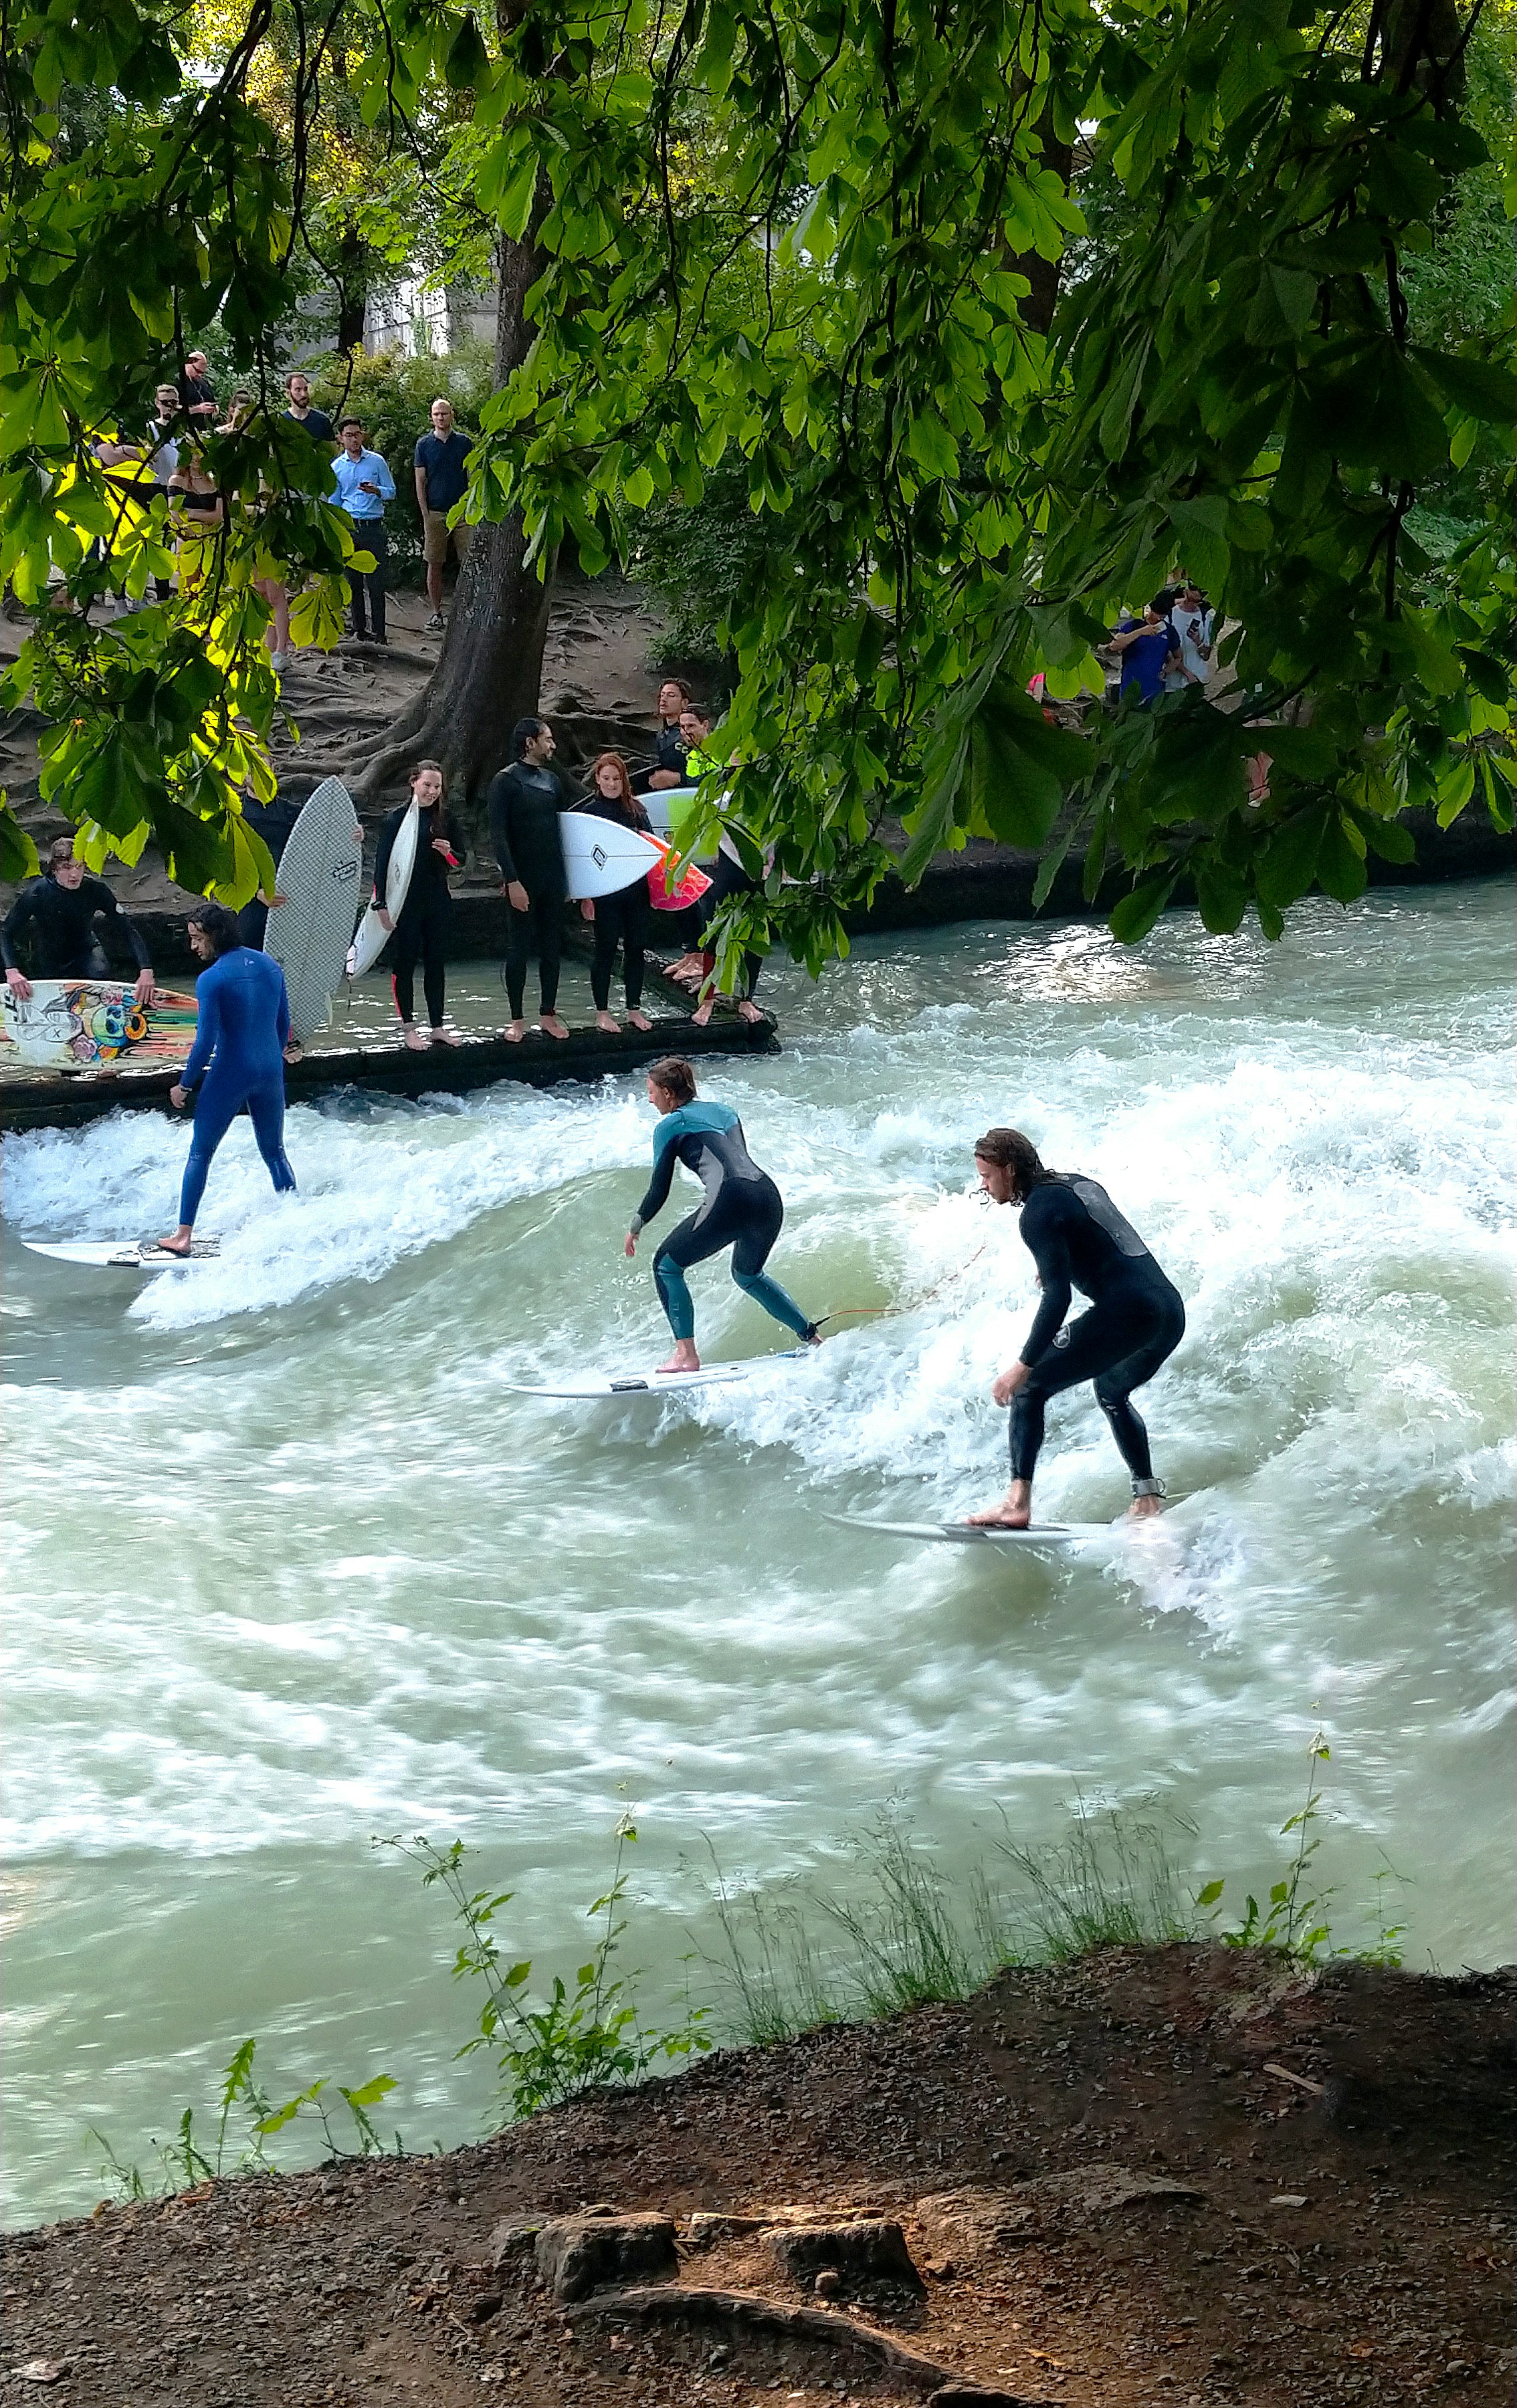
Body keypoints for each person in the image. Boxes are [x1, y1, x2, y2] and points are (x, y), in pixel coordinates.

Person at [967, 1127, 1185, 1529]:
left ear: (1009, 1169)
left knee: (1030, 1389)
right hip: (1169, 1310)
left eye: (987, 1176)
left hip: (1128, 1313)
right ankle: (1148, 1496)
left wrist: (1023, 1365)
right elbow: (1106, 1238)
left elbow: (1058, 1299)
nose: (983, 1186)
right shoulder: (1077, 1184)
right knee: (1112, 1391)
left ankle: (1016, 1504)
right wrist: (1055, 1263)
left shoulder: (1036, 1215)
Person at [624, 1055, 819, 1372]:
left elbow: (660, 1189)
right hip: (767, 1196)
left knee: (666, 1267)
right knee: (748, 1275)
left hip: (730, 1197)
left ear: (668, 1094)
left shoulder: (669, 1126)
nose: (650, 1098)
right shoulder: (726, 1112)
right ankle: (812, 1339)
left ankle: (686, 1355)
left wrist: (636, 1225)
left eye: (652, 1091)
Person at [160, 901, 296, 1254]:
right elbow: (283, 1026)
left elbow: (205, 1042)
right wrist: (268, 1060)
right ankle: (296, 1225)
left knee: (200, 1153)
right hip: (270, 1070)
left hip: (231, 1071)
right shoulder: (270, 966)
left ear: (215, 935)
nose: (194, 947)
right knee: (275, 1152)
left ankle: (183, 1237)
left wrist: (185, 1084)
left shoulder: (212, 979)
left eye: (197, 938)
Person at [487, 716, 571, 1042]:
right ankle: (517, 1019)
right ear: (529, 742)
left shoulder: (552, 781)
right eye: (547, 739)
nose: (552, 745)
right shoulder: (505, 781)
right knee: (519, 947)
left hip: (552, 877)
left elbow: (564, 832)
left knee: (552, 947)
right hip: (522, 878)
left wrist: (570, 882)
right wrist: (512, 881)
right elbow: (499, 836)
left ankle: (548, 1013)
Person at [373, 760, 466, 1050]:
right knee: (405, 964)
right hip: (405, 903)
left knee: (436, 964)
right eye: (427, 785)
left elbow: (461, 861)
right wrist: (381, 905)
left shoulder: (446, 820)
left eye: (437, 787)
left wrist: (449, 852)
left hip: (437, 900)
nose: (432, 792)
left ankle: (437, 1026)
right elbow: (382, 865)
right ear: (414, 782)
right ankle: (409, 1028)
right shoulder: (396, 819)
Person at [3, 837, 156, 1000]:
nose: (74, 874)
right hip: (49, 959)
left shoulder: (96, 891)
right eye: (66, 867)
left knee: (98, 973)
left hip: (87, 953)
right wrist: (12, 970)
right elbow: (6, 932)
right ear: (54, 869)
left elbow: (127, 930)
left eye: (79, 866)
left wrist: (146, 970)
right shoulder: (37, 893)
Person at [577, 752, 655, 1034]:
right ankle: (603, 1012)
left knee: (636, 948)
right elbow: (582, 859)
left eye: (617, 778)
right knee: (605, 949)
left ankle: (633, 1008)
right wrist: (585, 896)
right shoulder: (589, 814)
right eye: (606, 778)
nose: (612, 784)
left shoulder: (637, 810)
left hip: (636, 890)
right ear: (598, 780)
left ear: (625, 780)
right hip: (605, 893)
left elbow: (652, 850)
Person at [329, 417, 395, 643]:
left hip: (373, 527)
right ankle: (359, 629)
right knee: (353, 582)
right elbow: (334, 503)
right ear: (341, 439)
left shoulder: (376, 462)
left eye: (357, 434)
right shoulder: (337, 467)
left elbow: (392, 491)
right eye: (349, 435)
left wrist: (377, 491)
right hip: (350, 527)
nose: (354, 439)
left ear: (363, 436)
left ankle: (380, 632)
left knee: (377, 582)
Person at [413, 397, 474, 631]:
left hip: (462, 513)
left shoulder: (464, 443)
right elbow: (420, 480)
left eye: (444, 413)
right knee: (434, 563)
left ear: (452, 415)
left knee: (468, 562)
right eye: (437, 414)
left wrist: (472, 507)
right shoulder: (424, 445)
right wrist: (424, 512)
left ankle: (467, 610)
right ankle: (436, 612)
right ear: (431, 417)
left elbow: (472, 475)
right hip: (435, 512)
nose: (441, 417)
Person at [1108, 596, 1180, 705]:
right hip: (1131, 687)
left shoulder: (1170, 631)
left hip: (1155, 689)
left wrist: (1167, 671)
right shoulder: (1134, 625)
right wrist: (1140, 632)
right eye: (1155, 613)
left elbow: (1178, 656)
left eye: (1162, 616)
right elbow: (1114, 646)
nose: (1157, 618)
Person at [637, 678, 695, 792]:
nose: (664, 699)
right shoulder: (661, 735)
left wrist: (680, 778)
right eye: (662, 695)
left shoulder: (693, 732)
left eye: (671, 695)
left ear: (684, 703)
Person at [283, 370, 334, 451]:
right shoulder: (282, 422)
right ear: (288, 393)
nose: (303, 394)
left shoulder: (322, 421)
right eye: (298, 390)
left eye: (305, 389)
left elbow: (331, 452)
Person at [178, 350, 218, 424]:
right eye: (197, 371)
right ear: (189, 364)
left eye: (202, 373)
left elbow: (211, 399)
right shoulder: (179, 382)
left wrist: (215, 408)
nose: (199, 375)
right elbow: (173, 409)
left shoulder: (202, 383)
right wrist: (197, 409)